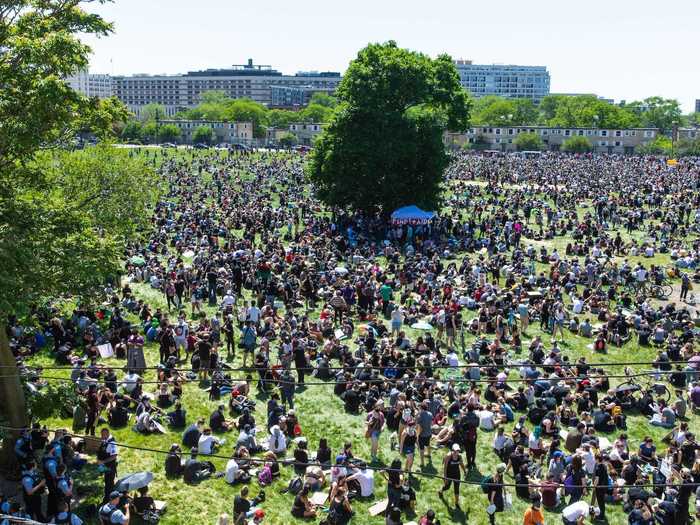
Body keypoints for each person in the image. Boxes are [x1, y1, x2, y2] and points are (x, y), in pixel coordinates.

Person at [439, 444, 467, 509]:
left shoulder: (459, 456)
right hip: (449, 474)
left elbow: (461, 464)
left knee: (456, 489)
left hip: (457, 474)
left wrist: (465, 471)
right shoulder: (448, 456)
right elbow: (445, 468)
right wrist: (445, 477)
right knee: (447, 487)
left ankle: (456, 503)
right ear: (452, 450)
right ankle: (440, 491)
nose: (456, 452)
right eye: (455, 451)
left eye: (457, 451)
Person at [97, 428, 118, 503]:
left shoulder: (112, 443)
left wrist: (103, 461)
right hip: (105, 466)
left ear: (107, 434)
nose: (101, 436)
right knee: (107, 482)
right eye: (101, 434)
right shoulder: (104, 440)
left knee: (109, 484)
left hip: (110, 467)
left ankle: (109, 500)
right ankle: (107, 497)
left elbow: (114, 456)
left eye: (103, 435)